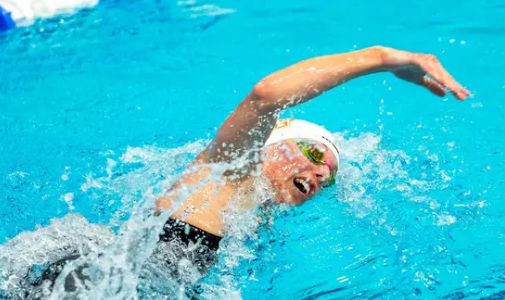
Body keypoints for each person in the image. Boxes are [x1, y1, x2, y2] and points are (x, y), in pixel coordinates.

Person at [28, 46, 469, 299]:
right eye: (313, 155)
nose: (317, 175)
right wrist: (383, 58)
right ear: (272, 144)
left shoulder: (249, 214)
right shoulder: (232, 172)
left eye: (328, 176)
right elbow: (266, 95)